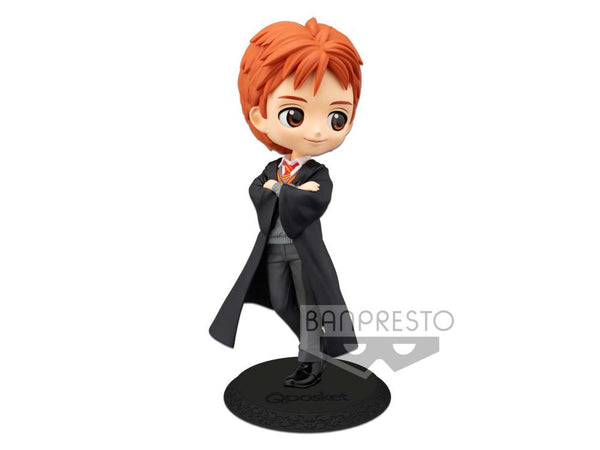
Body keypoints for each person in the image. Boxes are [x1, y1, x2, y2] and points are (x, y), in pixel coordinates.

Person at [209, 17, 363, 388]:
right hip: (274, 248)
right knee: (281, 302)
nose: (317, 130)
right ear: (260, 116)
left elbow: (315, 199)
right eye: (295, 114)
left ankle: (310, 362)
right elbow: (257, 191)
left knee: (310, 306)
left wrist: (280, 190)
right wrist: (285, 189)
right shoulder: (272, 169)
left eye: (336, 117)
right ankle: (316, 348)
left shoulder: (318, 172)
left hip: (303, 250)